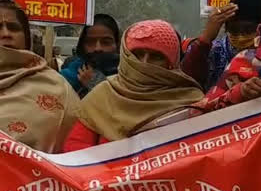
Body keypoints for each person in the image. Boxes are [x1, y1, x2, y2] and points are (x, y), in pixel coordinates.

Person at [63, 20, 212, 150]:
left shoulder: (192, 102)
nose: (144, 63)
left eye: (156, 57)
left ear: (171, 62)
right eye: (137, 54)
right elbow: (76, 148)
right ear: (126, 56)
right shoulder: (103, 95)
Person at [0, 0, 79, 152]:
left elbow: (78, 150)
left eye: (14, 28)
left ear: (27, 38)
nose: (6, 34)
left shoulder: (57, 88)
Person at [182, 0, 261, 90]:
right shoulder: (215, 51)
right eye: (234, 30)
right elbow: (187, 80)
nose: (240, 36)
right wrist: (206, 38)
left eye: (248, 30)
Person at [59, 14, 120, 98]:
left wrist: (94, 83)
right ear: (82, 45)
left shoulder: (130, 76)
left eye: (106, 42)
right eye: (90, 42)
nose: (98, 48)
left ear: (117, 44)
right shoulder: (72, 71)